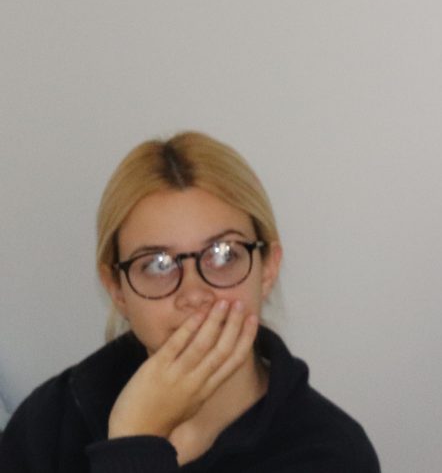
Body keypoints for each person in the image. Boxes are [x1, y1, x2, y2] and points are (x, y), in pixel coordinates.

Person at [0, 133, 380, 472]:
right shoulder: (53, 419)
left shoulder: (330, 452)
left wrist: (135, 442)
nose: (194, 294)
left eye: (223, 254)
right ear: (116, 289)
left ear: (267, 269)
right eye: (157, 264)